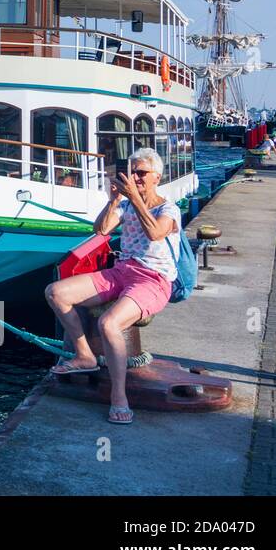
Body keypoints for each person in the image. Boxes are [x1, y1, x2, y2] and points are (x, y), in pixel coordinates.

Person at [43, 147, 179, 424]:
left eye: (141, 173)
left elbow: (155, 232)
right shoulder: (127, 204)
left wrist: (135, 199)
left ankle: (119, 396)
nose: (135, 178)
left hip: (153, 279)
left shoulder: (168, 208)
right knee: (56, 292)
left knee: (109, 323)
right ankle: (84, 355)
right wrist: (113, 201)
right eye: (131, 173)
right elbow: (101, 230)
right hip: (122, 271)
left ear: (157, 177)